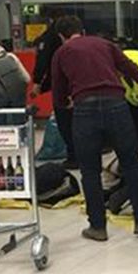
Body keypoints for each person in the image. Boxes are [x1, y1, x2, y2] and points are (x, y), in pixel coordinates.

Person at [50, 15, 138, 241]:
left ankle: (97, 227)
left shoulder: (61, 53)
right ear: (82, 30)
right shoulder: (104, 44)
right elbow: (136, 72)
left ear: (61, 36)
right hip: (116, 106)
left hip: (85, 111)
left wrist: (70, 102)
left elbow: (58, 96)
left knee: (90, 170)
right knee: (131, 164)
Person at [33, 11, 78, 169]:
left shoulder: (50, 39)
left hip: (62, 86)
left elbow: (43, 60)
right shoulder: (86, 41)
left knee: (65, 121)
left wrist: (38, 82)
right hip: (82, 86)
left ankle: (73, 156)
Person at [0, 40, 30, 125]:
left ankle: (1, 132)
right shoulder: (11, 56)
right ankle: (21, 132)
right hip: (17, 90)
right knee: (19, 118)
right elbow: (26, 77)